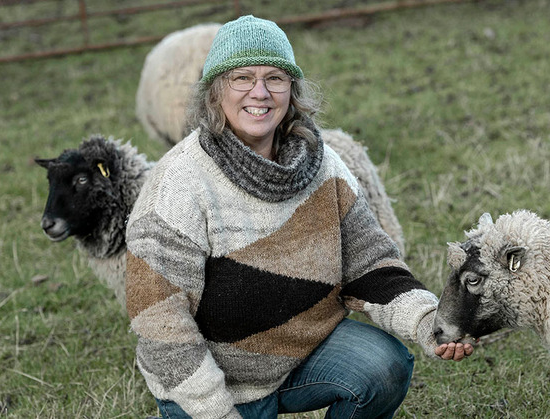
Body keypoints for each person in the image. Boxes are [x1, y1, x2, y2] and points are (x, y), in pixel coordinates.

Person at [125, 15, 473, 419]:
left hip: (302, 355)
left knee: (385, 366)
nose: (260, 91)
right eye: (242, 77)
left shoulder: (323, 167)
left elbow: (371, 262)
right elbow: (160, 322)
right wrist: (214, 410)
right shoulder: (177, 183)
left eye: (275, 77)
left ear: (292, 89)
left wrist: (430, 321)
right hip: (212, 385)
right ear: (215, 91)